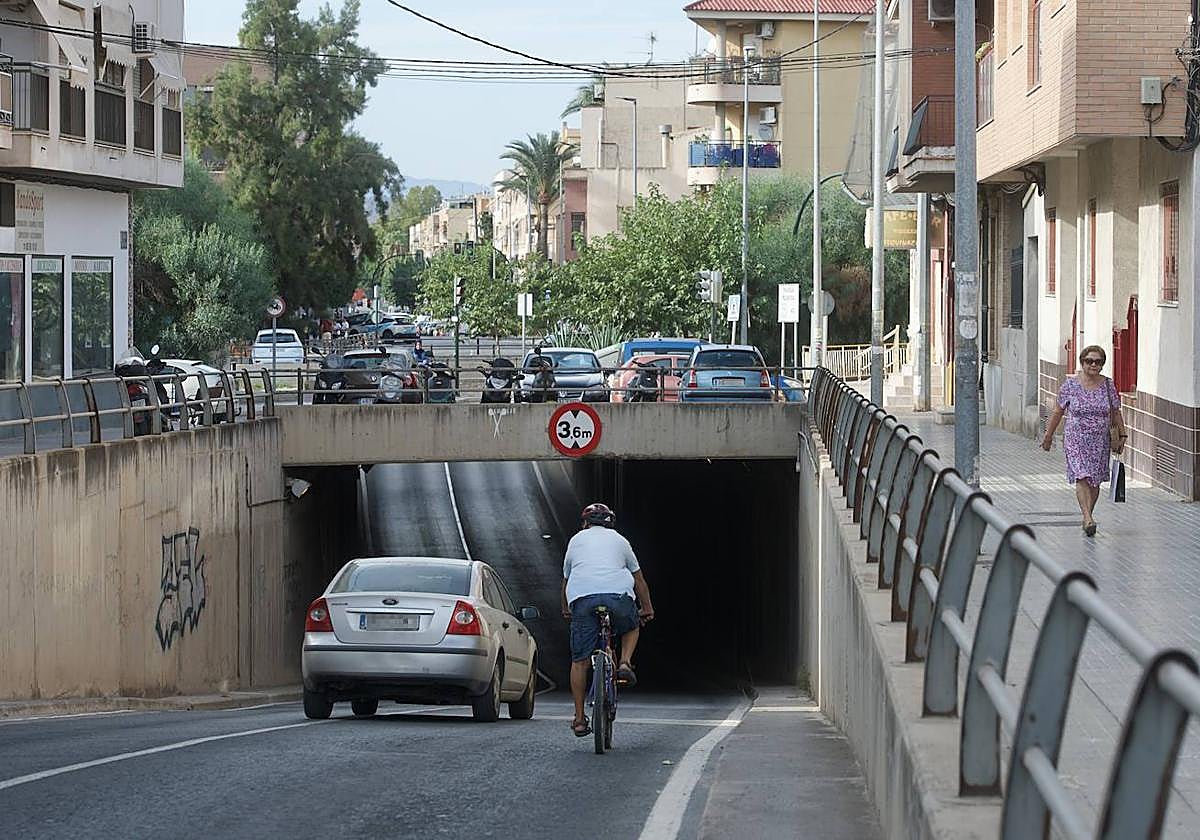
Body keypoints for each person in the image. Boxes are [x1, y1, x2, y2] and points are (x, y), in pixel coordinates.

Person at [561, 502, 654, 737]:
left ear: (585, 523)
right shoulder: (621, 540)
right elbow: (639, 579)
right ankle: (624, 662)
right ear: (610, 522)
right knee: (632, 626)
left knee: (580, 661)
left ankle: (580, 718)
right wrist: (647, 609)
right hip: (617, 597)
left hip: (583, 599)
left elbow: (565, 580)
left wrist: (566, 609)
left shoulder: (575, 541)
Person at [1041, 344, 1128, 536]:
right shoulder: (1070, 385)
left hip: (1100, 440)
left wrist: (1122, 435)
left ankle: (1088, 515)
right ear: (1082, 362)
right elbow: (1058, 411)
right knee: (1082, 475)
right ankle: (1088, 517)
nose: (1093, 365)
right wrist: (1048, 436)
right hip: (1075, 438)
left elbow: (1115, 412)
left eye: (1098, 362)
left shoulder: (1107, 385)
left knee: (1095, 481)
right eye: (1089, 361)